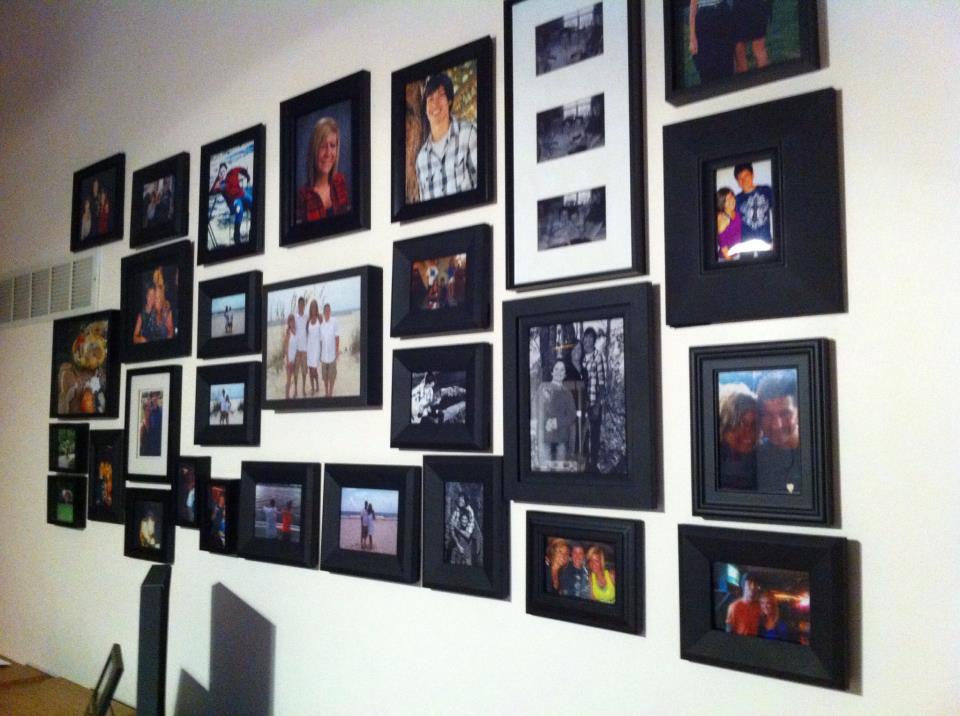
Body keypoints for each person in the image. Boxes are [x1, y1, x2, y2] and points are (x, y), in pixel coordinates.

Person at [414, 72, 478, 200]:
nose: (435, 104)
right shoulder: (421, 160)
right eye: (430, 99)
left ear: (449, 101)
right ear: (425, 109)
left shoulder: (468, 134)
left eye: (441, 95)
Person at [296, 116, 349, 222]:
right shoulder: (302, 197)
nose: (328, 153)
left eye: (332, 146)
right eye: (323, 146)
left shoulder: (340, 181)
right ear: (314, 150)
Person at [755, 371, 801, 492]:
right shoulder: (755, 455)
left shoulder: (818, 453)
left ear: (799, 412)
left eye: (785, 413)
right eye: (767, 415)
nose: (776, 425)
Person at [717, 382, 759, 490]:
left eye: (754, 424)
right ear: (724, 424)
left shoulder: (764, 458)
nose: (749, 431)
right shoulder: (711, 459)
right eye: (740, 424)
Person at [538, 360, 577, 466]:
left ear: (565, 374)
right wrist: (546, 423)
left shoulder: (567, 393)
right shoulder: (543, 387)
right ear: (552, 372)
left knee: (560, 469)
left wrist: (557, 422)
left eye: (562, 370)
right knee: (544, 468)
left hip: (561, 437)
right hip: (546, 435)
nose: (559, 372)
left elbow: (572, 415)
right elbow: (539, 409)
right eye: (556, 369)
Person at [579, 328, 606, 472]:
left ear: (594, 340)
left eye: (591, 337)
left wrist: (597, 406)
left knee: (595, 436)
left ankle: (594, 466)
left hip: (594, 402)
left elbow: (602, 384)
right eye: (586, 337)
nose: (588, 340)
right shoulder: (581, 357)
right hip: (582, 404)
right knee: (584, 435)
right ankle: (585, 466)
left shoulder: (598, 356)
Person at [688, 0, 735, 84]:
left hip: (722, 13)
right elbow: (693, 5)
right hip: (705, 18)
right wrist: (692, 37)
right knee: (707, 66)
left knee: (726, 62)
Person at [733, 162, 774, 251]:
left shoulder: (766, 191)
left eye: (746, 176)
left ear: (752, 175)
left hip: (766, 244)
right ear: (737, 182)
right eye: (740, 178)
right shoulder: (735, 200)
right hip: (745, 247)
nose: (744, 180)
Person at [733, 0, 770, 74]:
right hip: (739, 8)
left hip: (755, 6)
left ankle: (765, 78)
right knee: (739, 47)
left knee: (758, 46)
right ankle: (744, 78)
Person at [715, 187, 742, 261]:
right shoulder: (721, 217)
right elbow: (723, 247)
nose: (731, 201)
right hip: (726, 258)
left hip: (738, 254)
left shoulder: (737, 212)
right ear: (722, 202)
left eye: (731, 197)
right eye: (727, 200)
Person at [319, 303, 339, 398]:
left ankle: (330, 392)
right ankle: (326, 392)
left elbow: (337, 337)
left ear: (330, 311)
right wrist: (319, 354)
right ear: (323, 312)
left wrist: (337, 351)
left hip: (332, 355)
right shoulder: (321, 325)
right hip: (324, 356)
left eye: (328, 310)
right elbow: (320, 341)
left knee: (332, 376)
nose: (327, 312)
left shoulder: (334, 322)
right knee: (325, 376)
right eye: (326, 311)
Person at [305, 299, 322, 396]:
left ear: (317, 308)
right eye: (312, 307)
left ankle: (317, 385)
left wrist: (323, 348)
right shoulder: (308, 321)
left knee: (314, 370)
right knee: (310, 370)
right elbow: (306, 335)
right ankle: (312, 387)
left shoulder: (320, 318)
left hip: (317, 348)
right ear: (310, 309)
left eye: (315, 307)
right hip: (310, 348)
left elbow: (323, 332)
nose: (313, 309)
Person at [294, 297, 308, 397]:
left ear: (304, 305)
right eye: (300, 304)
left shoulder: (307, 317)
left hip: (305, 350)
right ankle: (295, 390)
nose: (301, 306)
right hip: (296, 349)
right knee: (295, 372)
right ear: (298, 305)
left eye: (303, 304)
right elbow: (290, 329)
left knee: (304, 372)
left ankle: (303, 389)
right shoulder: (295, 317)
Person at [283, 314, 297, 399]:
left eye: (293, 320)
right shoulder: (288, 333)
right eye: (290, 321)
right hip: (289, 360)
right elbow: (286, 349)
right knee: (288, 379)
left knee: (295, 377)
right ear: (288, 323)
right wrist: (288, 361)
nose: (292, 322)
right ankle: (287, 396)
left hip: (295, 359)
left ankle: (295, 393)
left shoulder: (296, 331)